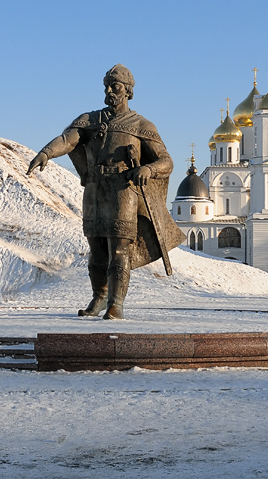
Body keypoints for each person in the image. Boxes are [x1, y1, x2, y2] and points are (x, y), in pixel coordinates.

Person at [26, 64, 184, 319]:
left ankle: (116, 303)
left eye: (115, 86)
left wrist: (149, 170)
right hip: (95, 191)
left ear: (128, 91)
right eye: (107, 86)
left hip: (124, 191)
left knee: (119, 249)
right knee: (97, 250)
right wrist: (46, 152)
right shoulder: (90, 120)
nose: (109, 91)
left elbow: (166, 161)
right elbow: (67, 140)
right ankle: (99, 297)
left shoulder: (141, 125)